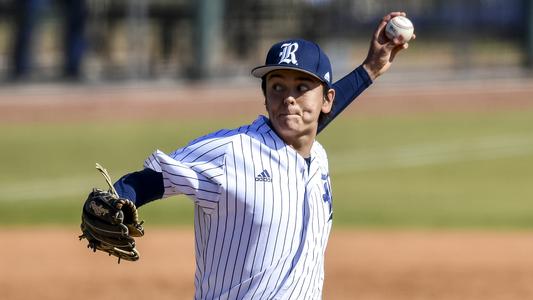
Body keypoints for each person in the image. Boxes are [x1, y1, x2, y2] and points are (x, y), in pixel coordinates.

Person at [110, 11, 414, 299]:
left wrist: (370, 69)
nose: (289, 99)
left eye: (302, 86)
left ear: (327, 99)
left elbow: (305, 130)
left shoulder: (314, 157)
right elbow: (152, 179)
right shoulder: (231, 151)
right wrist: (116, 198)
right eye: (278, 87)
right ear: (266, 96)